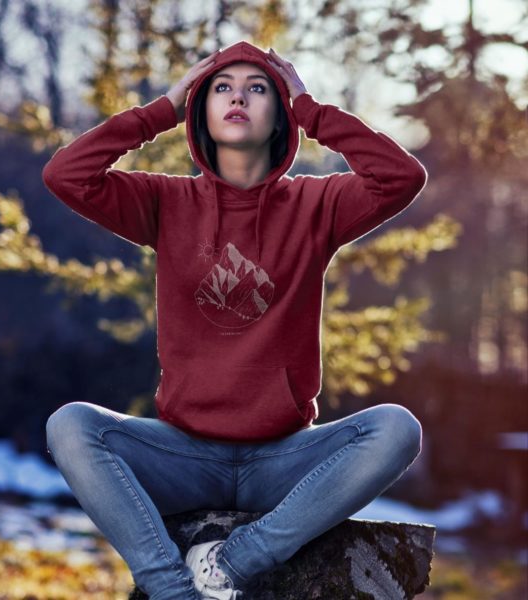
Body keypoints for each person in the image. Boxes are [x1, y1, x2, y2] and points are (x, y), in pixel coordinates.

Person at [42, 40, 428, 600]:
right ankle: (171, 587)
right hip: (183, 456)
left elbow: (401, 177)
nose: (237, 97)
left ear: (281, 115)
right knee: (70, 425)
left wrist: (314, 111)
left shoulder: (317, 207)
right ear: (201, 111)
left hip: (285, 461)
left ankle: (236, 563)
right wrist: (160, 112)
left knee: (398, 428)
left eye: (258, 88)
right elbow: (66, 175)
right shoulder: (164, 202)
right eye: (221, 88)